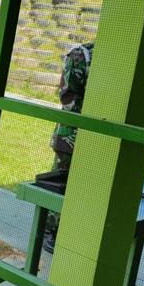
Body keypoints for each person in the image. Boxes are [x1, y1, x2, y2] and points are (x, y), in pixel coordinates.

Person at [43, 41, 94, 254]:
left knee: (87, 186)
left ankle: (74, 230)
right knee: (62, 183)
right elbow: (67, 98)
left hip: (97, 137)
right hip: (72, 134)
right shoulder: (80, 55)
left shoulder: (121, 58)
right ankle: (50, 230)